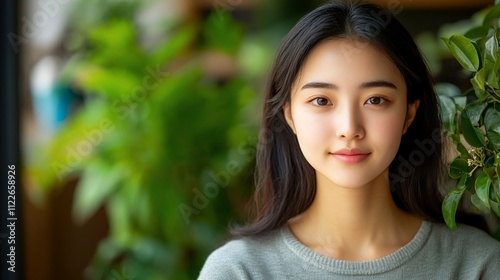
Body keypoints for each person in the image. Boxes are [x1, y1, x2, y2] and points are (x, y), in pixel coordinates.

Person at [198, 1, 500, 279]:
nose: (349, 128)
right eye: (320, 101)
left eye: (376, 100)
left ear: (409, 114)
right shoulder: (238, 271)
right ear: (289, 115)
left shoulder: (477, 265)